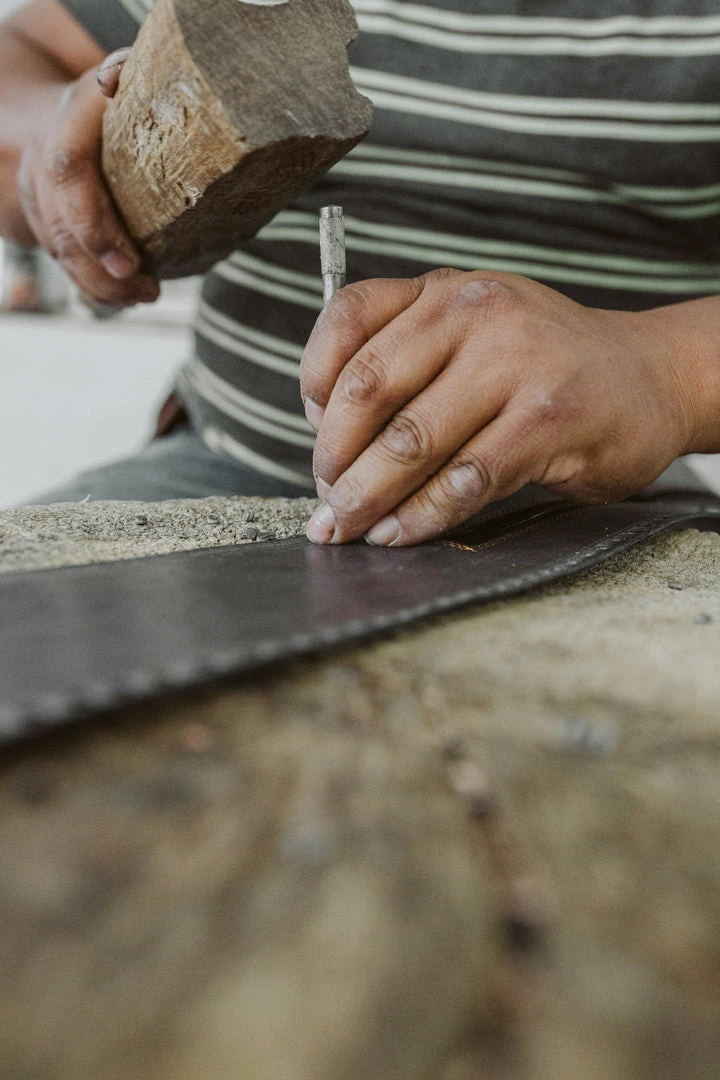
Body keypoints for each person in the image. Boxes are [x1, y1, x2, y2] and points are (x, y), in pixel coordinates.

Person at [2, 0, 720, 546]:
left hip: (596, 510)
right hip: (228, 462)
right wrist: (45, 136)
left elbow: (669, 375)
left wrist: (663, 371)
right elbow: (26, 49)